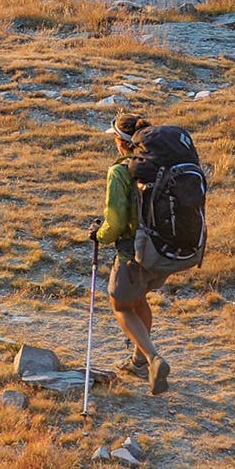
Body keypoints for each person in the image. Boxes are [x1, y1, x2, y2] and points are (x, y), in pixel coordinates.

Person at [89, 114, 173, 395]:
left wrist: (98, 235)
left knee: (121, 306)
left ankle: (153, 358)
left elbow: (113, 223)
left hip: (132, 253)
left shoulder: (120, 172)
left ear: (121, 143)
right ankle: (138, 360)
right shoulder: (161, 164)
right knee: (138, 301)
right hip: (162, 251)